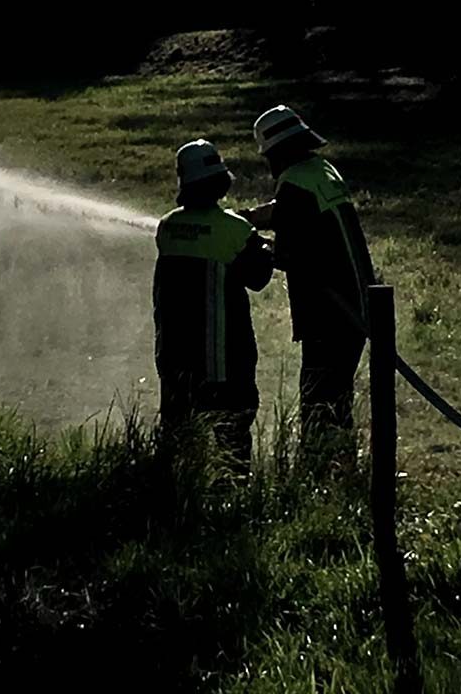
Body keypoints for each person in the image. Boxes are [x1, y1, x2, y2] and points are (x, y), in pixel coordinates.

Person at [238, 105, 376, 468]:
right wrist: (249, 217)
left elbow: (289, 253)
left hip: (329, 310)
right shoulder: (320, 172)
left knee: (319, 397)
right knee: (338, 393)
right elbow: (287, 211)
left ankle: (319, 469)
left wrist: (249, 243)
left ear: (277, 152)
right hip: (357, 303)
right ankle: (341, 461)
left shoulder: (295, 182)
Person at [153, 139, 274, 468]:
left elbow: (200, 235)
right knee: (231, 442)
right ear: (221, 182)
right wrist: (266, 248)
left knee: (178, 442)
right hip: (224, 363)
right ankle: (232, 503)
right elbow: (259, 278)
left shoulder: (167, 227)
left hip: (175, 360)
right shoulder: (235, 230)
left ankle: (178, 500)